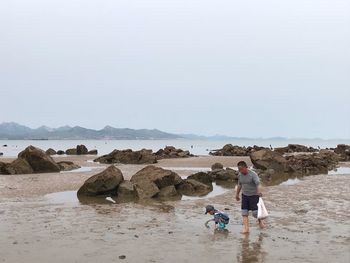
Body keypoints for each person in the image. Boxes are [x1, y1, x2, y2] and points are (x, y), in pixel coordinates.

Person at [235, 161, 265, 233]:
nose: (241, 171)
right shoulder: (240, 175)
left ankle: (260, 221)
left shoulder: (253, 174)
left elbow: (258, 184)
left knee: (255, 213)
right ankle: (246, 229)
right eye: (239, 170)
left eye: (242, 169)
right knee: (244, 212)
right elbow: (239, 185)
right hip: (245, 195)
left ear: (246, 167)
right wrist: (237, 194)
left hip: (254, 196)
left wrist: (259, 192)